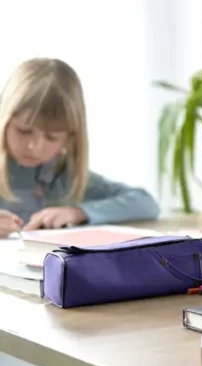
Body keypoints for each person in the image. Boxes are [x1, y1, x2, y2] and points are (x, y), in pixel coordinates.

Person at [0, 58, 160, 236]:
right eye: (23, 131)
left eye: (51, 137)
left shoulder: (64, 176)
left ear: (69, 139)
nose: (34, 146)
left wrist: (78, 212)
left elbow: (145, 203)